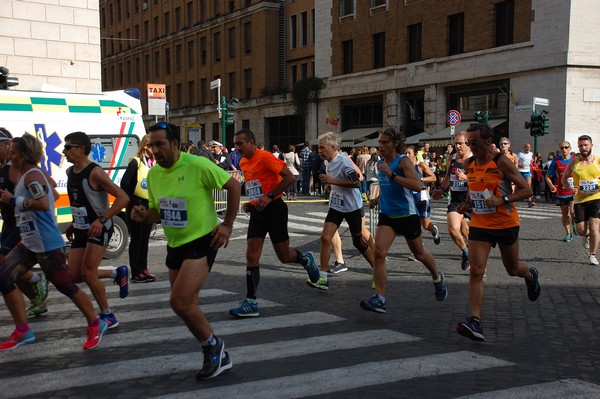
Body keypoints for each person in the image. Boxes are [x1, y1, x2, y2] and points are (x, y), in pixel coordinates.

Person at [130, 121, 240, 379]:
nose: (155, 150)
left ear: (175, 144)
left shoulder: (196, 165)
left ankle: (214, 346)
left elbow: (233, 187)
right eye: (152, 145)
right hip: (175, 245)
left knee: (179, 301)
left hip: (202, 240)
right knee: (187, 304)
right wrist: (145, 214)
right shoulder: (154, 174)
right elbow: (158, 213)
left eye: (160, 144)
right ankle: (214, 351)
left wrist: (227, 225)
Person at [0, 134, 107, 351]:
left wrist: (14, 200)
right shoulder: (25, 175)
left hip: (47, 243)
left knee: (67, 286)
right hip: (30, 242)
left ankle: (96, 323)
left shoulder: (32, 176)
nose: (10, 155)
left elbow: (43, 205)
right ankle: (23, 330)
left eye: (14, 152)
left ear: (24, 154)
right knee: (3, 276)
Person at [455, 123, 540, 342]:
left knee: (512, 269)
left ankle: (530, 275)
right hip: (480, 225)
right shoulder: (470, 164)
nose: (470, 146)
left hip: (505, 224)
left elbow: (527, 190)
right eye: (468, 143)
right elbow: (473, 189)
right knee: (476, 271)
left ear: (486, 141)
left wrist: (502, 199)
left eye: (474, 142)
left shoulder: (501, 162)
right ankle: (475, 321)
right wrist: (466, 204)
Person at [228, 128, 319, 317]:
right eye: (235, 144)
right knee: (251, 255)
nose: (237, 148)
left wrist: (269, 197)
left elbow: (290, 177)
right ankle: (251, 301)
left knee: (284, 256)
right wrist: (251, 204)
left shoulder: (266, 157)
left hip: (275, 208)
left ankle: (306, 259)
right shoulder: (244, 162)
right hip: (258, 212)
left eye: (240, 144)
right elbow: (255, 188)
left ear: (251, 142)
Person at [360, 128, 447, 314]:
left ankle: (437, 277)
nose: (381, 146)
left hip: (407, 215)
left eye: (385, 143)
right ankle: (380, 298)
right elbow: (387, 187)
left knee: (419, 254)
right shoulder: (382, 162)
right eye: (380, 142)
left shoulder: (403, 161)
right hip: (388, 216)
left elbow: (417, 185)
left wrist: (392, 175)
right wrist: (377, 199)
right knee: (379, 253)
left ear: (395, 144)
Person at [63, 131, 130, 329]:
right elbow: (80, 201)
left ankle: (108, 315)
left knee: (88, 272)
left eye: (68, 147)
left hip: (100, 228)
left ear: (81, 149)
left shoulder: (95, 172)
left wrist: (102, 219)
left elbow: (123, 197)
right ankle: (117, 273)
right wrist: (74, 222)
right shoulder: (70, 172)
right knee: (74, 274)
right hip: (82, 228)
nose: (64, 152)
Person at [306, 132, 375, 290]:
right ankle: (322, 278)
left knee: (358, 242)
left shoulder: (344, 162)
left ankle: (378, 270)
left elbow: (357, 183)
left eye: (322, 148)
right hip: (337, 205)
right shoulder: (328, 161)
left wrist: (333, 181)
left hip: (352, 207)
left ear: (332, 148)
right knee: (325, 238)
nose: (319, 151)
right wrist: (331, 186)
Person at [0, 129, 50, 318]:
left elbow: (50, 189)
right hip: (9, 223)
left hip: (22, 225)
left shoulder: (26, 171)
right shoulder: (3, 170)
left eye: (13, 151)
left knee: (6, 265)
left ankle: (37, 278)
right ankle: (37, 299)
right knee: (8, 269)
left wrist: (20, 201)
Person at [432, 132, 472, 270]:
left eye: (460, 143)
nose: (458, 146)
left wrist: (466, 179)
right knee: (453, 230)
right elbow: (448, 176)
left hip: (473, 200)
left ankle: (478, 261)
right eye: (456, 143)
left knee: (473, 233)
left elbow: (482, 180)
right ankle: (466, 252)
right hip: (456, 199)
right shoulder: (452, 157)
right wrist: (441, 190)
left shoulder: (474, 158)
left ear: (468, 143)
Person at [120, 134, 156, 283]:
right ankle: (136, 271)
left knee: (145, 239)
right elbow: (124, 183)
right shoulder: (135, 163)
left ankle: (143, 268)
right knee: (137, 238)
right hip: (136, 204)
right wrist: (132, 202)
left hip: (149, 205)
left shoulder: (154, 164)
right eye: (153, 145)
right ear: (146, 147)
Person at [562, 135, 600, 265]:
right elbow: (563, 179)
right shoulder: (574, 162)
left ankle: (593, 255)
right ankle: (586, 235)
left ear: (591, 146)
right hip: (580, 200)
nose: (583, 148)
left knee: (595, 226)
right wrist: (570, 188)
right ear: (578, 147)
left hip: (596, 198)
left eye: (586, 145)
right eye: (581, 145)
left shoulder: (598, 161)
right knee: (581, 230)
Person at [405, 146, 441, 245]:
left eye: (409, 153)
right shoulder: (404, 167)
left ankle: (434, 230)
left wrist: (420, 180)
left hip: (422, 198)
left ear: (415, 154)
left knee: (425, 225)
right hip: (410, 198)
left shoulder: (420, 165)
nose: (407, 155)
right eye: (406, 153)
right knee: (413, 224)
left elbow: (433, 178)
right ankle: (417, 249)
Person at [545, 142, 576, 242]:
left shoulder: (575, 159)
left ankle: (575, 222)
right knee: (565, 214)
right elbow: (547, 176)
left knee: (572, 212)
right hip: (561, 192)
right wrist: (551, 186)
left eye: (566, 147)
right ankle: (568, 233)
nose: (564, 149)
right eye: (562, 148)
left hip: (573, 191)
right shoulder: (556, 161)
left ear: (570, 148)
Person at [517, 143, 536, 207]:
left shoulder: (531, 154)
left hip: (527, 171)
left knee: (528, 186)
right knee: (518, 186)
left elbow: (530, 161)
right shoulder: (520, 154)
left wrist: (532, 165)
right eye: (526, 147)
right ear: (524, 147)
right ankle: (513, 200)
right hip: (520, 171)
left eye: (529, 147)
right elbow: (515, 162)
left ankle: (529, 201)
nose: (528, 148)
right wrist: (520, 165)